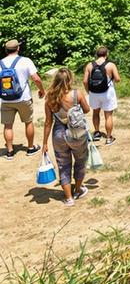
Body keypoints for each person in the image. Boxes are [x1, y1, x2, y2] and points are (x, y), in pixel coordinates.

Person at [40, 68, 92, 206]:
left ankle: (69, 198)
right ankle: (78, 189)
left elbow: (47, 122)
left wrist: (44, 143)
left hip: (58, 134)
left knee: (63, 165)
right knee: (80, 161)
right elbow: (87, 110)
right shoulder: (77, 94)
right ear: (70, 80)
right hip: (77, 133)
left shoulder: (49, 98)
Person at [1, 39, 44, 160]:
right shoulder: (25, 61)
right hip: (23, 98)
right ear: (18, 48)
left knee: (8, 126)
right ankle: (30, 148)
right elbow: (36, 79)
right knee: (28, 122)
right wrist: (42, 90)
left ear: (6, 50)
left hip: (5, 99)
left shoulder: (0, 63)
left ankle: (9, 152)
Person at [84, 46, 121, 145]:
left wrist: (88, 91)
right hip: (107, 92)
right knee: (108, 115)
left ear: (97, 54)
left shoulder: (89, 65)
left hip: (94, 93)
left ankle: (96, 133)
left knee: (95, 113)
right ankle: (109, 138)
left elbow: (84, 81)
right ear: (106, 54)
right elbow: (117, 79)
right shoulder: (111, 65)